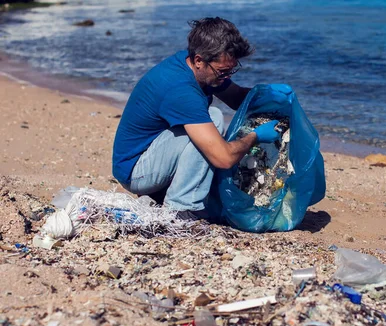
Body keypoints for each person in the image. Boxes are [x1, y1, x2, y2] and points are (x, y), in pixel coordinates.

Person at [112, 17, 282, 221]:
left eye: (232, 70)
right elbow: (224, 158)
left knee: (210, 123)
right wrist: (255, 136)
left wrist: (269, 97)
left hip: (154, 155)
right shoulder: (182, 90)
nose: (227, 77)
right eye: (223, 72)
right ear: (200, 60)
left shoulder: (196, 66)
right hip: (136, 171)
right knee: (214, 118)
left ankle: (163, 194)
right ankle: (181, 209)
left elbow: (236, 97)